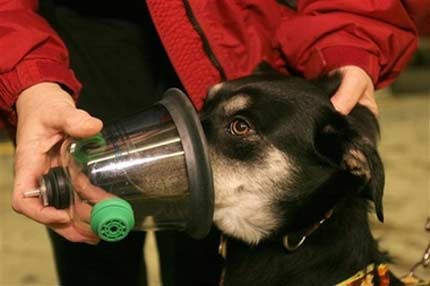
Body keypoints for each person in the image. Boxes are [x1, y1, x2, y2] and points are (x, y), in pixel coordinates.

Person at [0, 0, 421, 285]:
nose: (189, 143)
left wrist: (350, 36)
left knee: (199, 257)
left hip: (232, 26)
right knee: (90, 234)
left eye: (239, 129)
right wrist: (26, 78)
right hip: (78, 42)